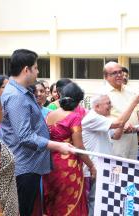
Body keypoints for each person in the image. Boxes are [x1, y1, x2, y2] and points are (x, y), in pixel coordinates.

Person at [0, 49, 75, 216]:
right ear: (26, 69)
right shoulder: (16, 97)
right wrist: (57, 145)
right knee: (22, 211)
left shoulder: (22, 92)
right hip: (23, 166)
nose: (38, 72)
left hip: (28, 165)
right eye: (36, 68)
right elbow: (25, 136)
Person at [82, 91, 139, 216]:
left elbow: (116, 135)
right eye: (108, 103)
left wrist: (123, 125)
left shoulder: (101, 119)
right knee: (95, 202)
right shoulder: (92, 117)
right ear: (97, 106)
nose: (111, 106)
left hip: (105, 167)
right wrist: (133, 103)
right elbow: (119, 123)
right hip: (95, 169)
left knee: (104, 202)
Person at [43, 82, 95, 216]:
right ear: (78, 101)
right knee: (69, 202)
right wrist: (91, 166)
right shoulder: (74, 117)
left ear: (60, 96)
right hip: (68, 165)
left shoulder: (49, 115)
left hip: (50, 163)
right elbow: (78, 148)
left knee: (54, 202)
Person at [102, 61, 139, 159]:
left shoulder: (130, 90)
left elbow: (138, 107)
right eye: (114, 73)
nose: (119, 75)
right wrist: (122, 124)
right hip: (116, 139)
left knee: (132, 169)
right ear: (106, 77)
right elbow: (103, 117)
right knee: (118, 170)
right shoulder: (102, 94)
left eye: (120, 72)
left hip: (133, 136)